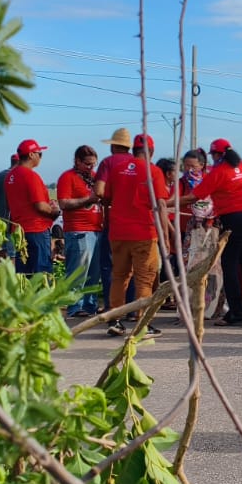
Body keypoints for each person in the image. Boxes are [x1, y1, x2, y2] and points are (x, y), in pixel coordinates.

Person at [96, 133, 169, 337]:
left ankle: (116, 320)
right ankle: (143, 324)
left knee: (119, 276)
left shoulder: (116, 169)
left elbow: (105, 198)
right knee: (144, 280)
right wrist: (165, 234)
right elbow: (161, 205)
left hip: (118, 233)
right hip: (144, 232)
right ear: (151, 152)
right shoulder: (153, 171)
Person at [187, 138, 242, 326]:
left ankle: (236, 314)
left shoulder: (218, 172)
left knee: (229, 265)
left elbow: (194, 196)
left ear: (217, 155)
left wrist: (165, 203)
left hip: (235, 219)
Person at [3, 139, 61, 274]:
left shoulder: (10, 176)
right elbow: (40, 206)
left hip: (18, 231)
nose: (40, 157)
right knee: (41, 271)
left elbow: (9, 204)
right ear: (31, 155)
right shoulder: (31, 176)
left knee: (24, 272)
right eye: (39, 154)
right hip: (36, 229)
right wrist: (54, 211)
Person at [56, 145, 101, 316]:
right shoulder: (68, 177)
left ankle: (90, 305)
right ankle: (75, 306)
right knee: (78, 271)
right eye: (88, 164)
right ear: (77, 161)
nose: (91, 168)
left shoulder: (94, 178)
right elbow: (64, 203)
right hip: (79, 230)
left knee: (93, 273)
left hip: (97, 229)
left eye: (93, 164)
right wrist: (88, 200)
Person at [95, 128, 135, 309]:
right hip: (137, 223)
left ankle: (113, 306)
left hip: (114, 221)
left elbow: (99, 191)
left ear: (113, 147)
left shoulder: (108, 163)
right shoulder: (138, 164)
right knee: (134, 267)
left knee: (111, 267)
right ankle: (133, 306)